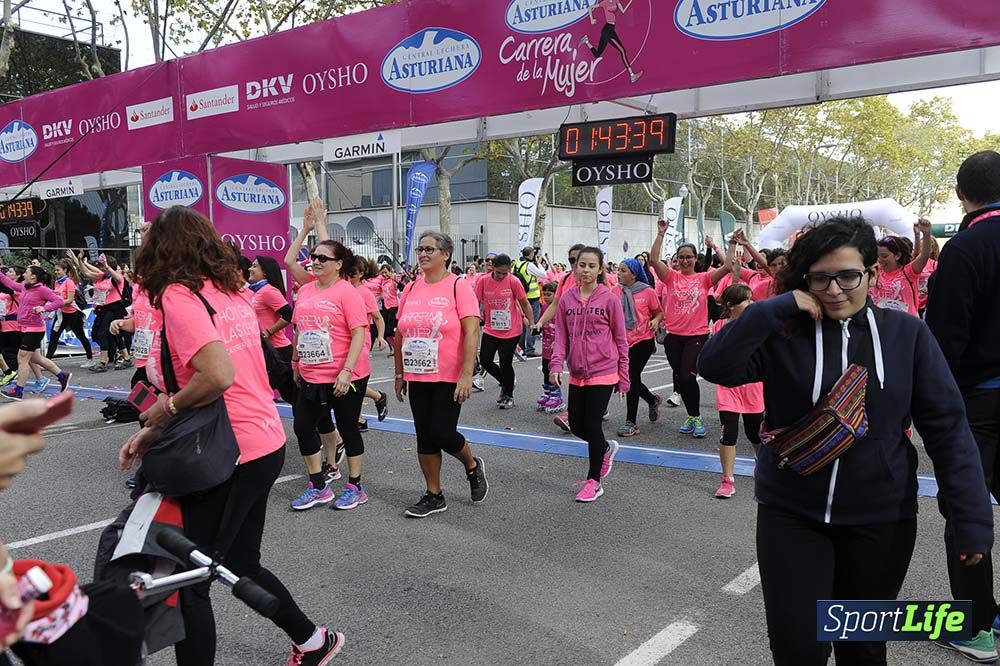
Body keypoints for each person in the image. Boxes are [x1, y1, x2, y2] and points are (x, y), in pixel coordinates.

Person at [698, 215, 993, 666]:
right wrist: (770, 308)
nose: (835, 290)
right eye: (820, 278)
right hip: (791, 516)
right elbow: (715, 366)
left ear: (872, 274)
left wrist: (972, 519)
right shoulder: (784, 331)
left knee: (862, 648)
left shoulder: (906, 335)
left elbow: (949, 429)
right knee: (798, 648)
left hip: (881, 521)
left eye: (848, 276)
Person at [121, 206, 344, 665]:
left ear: (162, 249)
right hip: (262, 441)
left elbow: (218, 374)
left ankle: (312, 640)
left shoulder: (181, 296)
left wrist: (166, 408)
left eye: (148, 240)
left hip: (227, 451)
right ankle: (313, 640)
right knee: (239, 562)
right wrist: (158, 426)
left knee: (187, 580)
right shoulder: (231, 290)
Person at [926, 149, 1000, 661]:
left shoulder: (966, 248)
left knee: (966, 507)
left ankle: (976, 626)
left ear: (960, 193)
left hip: (980, 401)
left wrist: (927, 407)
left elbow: (944, 339)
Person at [394, 230, 488, 518]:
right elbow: (400, 332)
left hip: (449, 373)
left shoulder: (458, 286)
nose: (423, 254)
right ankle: (434, 494)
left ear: (445, 254)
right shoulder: (411, 288)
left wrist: (466, 374)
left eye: (430, 249)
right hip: (417, 373)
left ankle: (472, 466)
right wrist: (399, 373)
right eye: (420, 249)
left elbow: (472, 330)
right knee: (425, 435)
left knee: (442, 432)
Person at [284, 223, 371, 512]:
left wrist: (346, 371)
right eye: (314, 256)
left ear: (338, 265)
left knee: (347, 428)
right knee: (302, 427)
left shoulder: (347, 292)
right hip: (311, 373)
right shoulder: (307, 290)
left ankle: (355, 487)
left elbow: (358, 331)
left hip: (345, 375)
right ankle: (318, 486)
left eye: (323, 258)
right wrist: (296, 361)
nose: (316, 261)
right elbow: (299, 328)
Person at [549, 246, 628, 503]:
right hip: (577, 372)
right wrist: (555, 364)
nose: (585, 270)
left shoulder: (609, 299)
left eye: (591, 265)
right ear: (575, 267)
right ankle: (604, 448)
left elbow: (620, 338)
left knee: (592, 425)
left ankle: (594, 482)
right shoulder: (567, 300)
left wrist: (623, 377)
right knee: (578, 425)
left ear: (600, 270)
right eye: (581, 264)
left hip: (604, 370)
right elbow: (561, 336)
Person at [649, 223, 737, 438]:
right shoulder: (670, 277)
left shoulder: (704, 278)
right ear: (677, 259)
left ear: (696, 259)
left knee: (688, 378)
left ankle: (697, 418)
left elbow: (726, 267)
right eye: (682, 257)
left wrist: (733, 242)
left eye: (689, 257)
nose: (685, 260)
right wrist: (661, 234)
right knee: (680, 376)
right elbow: (653, 260)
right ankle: (691, 415)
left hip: (696, 337)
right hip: (673, 337)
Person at [710, 284, 763, 499]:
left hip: (753, 388)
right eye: (745, 301)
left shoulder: (760, 326)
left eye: (752, 300)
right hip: (728, 388)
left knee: (754, 433)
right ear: (730, 306)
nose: (751, 304)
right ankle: (727, 480)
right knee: (729, 433)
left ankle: (763, 467)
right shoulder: (719, 326)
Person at [0, 266, 71, 400]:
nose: (24, 274)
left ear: (33, 276)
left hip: (34, 330)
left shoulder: (42, 289)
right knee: (36, 358)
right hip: (25, 328)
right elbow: (9, 282)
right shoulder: (24, 287)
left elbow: (59, 301)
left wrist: (44, 308)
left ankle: (18, 391)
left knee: (22, 359)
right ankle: (63, 376)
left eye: (26, 272)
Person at [474, 253, 534, 410]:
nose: (501, 276)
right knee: (485, 360)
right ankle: (507, 382)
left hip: (511, 329)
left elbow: (525, 303)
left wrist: (532, 323)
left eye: (504, 273)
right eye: (498, 272)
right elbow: (475, 301)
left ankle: (508, 395)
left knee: (505, 362)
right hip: (491, 327)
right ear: (492, 267)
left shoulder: (513, 281)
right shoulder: (483, 281)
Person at [615, 258, 663, 438]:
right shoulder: (614, 291)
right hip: (622, 342)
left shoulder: (647, 291)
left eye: (623, 270)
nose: (618, 273)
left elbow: (659, 312)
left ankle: (631, 422)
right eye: (618, 270)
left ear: (634, 274)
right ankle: (652, 400)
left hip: (643, 340)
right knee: (630, 378)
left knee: (631, 376)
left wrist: (655, 320)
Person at [67, 251, 129, 372]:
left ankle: (103, 361)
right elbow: (86, 272)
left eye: (101, 267)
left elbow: (116, 277)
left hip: (114, 308)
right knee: (104, 334)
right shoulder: (102, 277)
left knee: (103, 334)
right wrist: (78, 259)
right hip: (102, 308)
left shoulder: (116, 277)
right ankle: (125, 357)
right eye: (100, 267)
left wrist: (106, 265)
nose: (100, 268)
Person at [868, 220, 932, 316]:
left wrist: (926, 234)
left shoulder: (908, 272)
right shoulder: (875, 272)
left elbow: (924, 256)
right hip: (882, 325)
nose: (880, 260)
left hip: (906, 326)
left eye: (884, 256)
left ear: (897, 256)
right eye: (878, 256)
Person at [45, 259, 93, 363]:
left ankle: (90, 358)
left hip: (73, 315)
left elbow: (70, 300)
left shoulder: (69, 282)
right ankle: (47, 362)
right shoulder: (57, 282)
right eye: (55, 270)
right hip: (61, 314)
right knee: (54, 338)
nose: (56, 272)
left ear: (65, 270)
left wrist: (56, 303)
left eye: (58, 270)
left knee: (81, 336)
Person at [535, 281, 565, 414]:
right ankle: (547, 392)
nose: (546, 297)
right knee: (545, 369)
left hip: (556, 346)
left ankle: (557, 395)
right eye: (544, 294)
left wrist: (558, 341)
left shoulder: (559, 308)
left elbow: (562, 327)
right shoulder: (544, 307)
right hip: (546, 346)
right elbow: (542, 322)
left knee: (554, 370)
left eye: (549, 294)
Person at [513, 247, 548, 357]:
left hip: (521, 296)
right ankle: (530, 348)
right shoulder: (529, 265)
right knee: (533, 322)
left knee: (524, 322)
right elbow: (543, 275)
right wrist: (538, 263)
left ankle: (521, 346)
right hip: (532, 297)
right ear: (531, 254)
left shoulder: (517, 264)